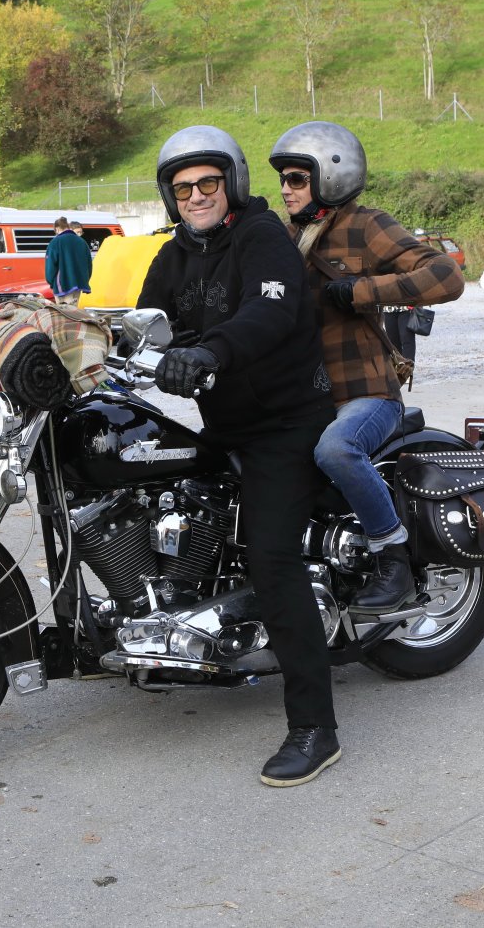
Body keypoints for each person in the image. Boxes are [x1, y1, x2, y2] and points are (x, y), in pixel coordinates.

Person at [136, 125, 340, 788]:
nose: (196, 196)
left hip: (285, 421)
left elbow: (268, 313)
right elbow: (142, 323)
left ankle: (315, 727)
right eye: (183, 188)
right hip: (225, 422)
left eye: (208, 183)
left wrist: (208, 351)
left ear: (233, 184)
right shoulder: (173, 255)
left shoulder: (261, 236)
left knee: (271, 556)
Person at [269, 121, 464, 614]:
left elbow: (446, 275)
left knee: (337, 450)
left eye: (297, 178)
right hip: (305, 396)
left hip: (366, 393)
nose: (286, 189)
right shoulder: (287, 235)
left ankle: (393, 559)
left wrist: (361, 290)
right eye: (283, 179)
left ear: (331, 175)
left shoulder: (364, 226)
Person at [44, 216, 93, 305]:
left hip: (63, 284)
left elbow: (50, 267)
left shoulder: (55, 242)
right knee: (74, 310)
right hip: (80, 283)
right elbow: (89, 265)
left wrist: (51, 282)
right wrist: (85, 280)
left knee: (64, 312)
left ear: (57, 229)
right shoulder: (82, 242)